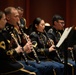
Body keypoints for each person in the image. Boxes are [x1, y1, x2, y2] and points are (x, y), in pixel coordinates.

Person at [4, 7, 54, 75]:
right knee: (35, 71)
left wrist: (24, 42)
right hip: (10, 63)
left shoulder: (14, 30)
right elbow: (6, 53)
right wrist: (23, 49)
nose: (18, 19)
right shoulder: (5, 32)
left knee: (46, 68)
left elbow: (18, 46)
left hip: (18, 60)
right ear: (8, 17)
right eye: (16, 16)